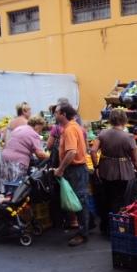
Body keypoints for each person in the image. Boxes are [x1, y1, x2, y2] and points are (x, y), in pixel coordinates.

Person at [90, 108, 137, 235]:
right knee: (119, 200)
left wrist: (96, 166)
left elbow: (93, 151)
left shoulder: (102, 134)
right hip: (123, 172)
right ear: (124, 119)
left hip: (105, 169)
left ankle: (105, 226)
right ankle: (116, 227)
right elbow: (135, 159)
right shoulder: (128, 137)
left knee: (106, 197)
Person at [54, 101, 90, 247]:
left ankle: (83, 233)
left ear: (63, 114)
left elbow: (71, 152)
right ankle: (88, 224)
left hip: (75, 170)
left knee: (79, 201)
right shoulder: (74, 127)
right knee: (80, 199)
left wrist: (61, 169)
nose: (55, 115)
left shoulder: (69, 129)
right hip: (78, 169)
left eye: (56, 112)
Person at [0, 116, 48, 193]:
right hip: (17, 161)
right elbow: (40, 154)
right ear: (37, 125)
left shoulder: (20, 128)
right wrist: (50, 156)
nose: (40, 131)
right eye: (41, 129)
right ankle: (12, 202)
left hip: (5, 157)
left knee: (7, 184)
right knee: (15, 186)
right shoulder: (33, 134)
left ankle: (3, 200)